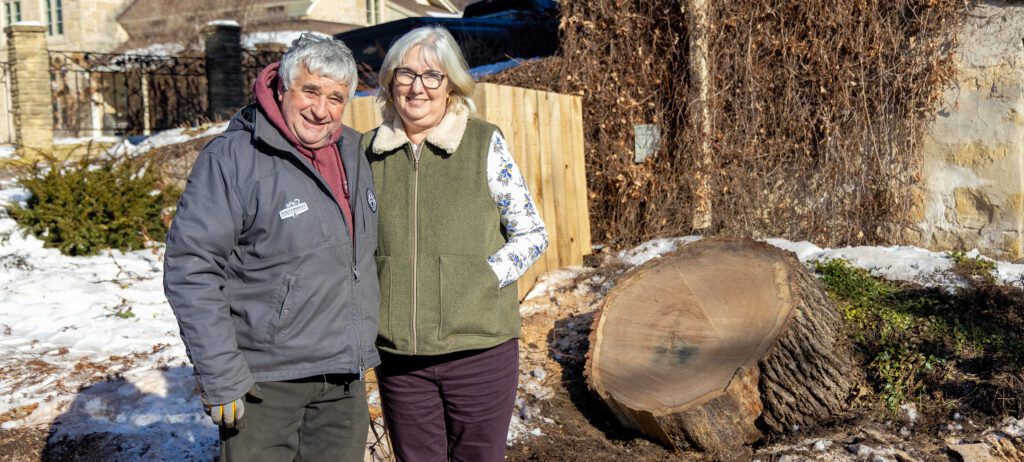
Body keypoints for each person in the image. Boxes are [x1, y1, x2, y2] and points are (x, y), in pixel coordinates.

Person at [163, 33, 379, 461]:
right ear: (281, 87)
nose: (321, 110)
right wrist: (221, 374)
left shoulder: (355, 153)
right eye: (310, 91)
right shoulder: (233, 159)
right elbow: (192, 269)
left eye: (336, 98)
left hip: (342, 379)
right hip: (265, 382)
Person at [363, 26, 549, 462]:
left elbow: (531, 232)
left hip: (479, 350)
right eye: (405, 74)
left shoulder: (484, 143)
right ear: (390, 82)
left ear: (451, 85)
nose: (418, 87)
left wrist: (484, 277)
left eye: (433, 76)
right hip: (399, 356)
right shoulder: (366, 153)